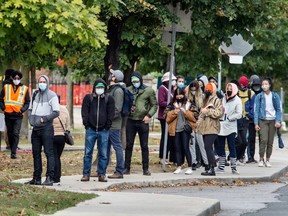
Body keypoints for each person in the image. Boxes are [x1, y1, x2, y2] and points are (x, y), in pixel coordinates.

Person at [26, 75, 60, 186]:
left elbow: (56, 112)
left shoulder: (52, 95)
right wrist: (31, 119)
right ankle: (36, 178)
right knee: (36, 153)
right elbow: (30, 109)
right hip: (35, 129)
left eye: (44, 81)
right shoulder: (35, 94)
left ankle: (50, 177)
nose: (42, 83)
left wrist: (43, 119)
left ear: (47, 83)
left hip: (46, 128)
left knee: (49, 153)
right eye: (40, 81)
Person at [81, 78, 115, 182]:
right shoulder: (88, 98)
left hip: (103, 130)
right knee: (87, 153)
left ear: (104, 88)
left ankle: (102, 174)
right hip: (91, 129)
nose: (99, 89)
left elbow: (111, 113)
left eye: (101, 87)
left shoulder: (109, 99)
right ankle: (86, 174)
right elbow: (84, 112)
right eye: (98, 87)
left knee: (103, 153)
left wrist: (107, 126)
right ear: (94, 88)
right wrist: (87, 125)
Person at [124, 71, 157, 176]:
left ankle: (145, 168)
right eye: (133, 81)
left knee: (144, 146)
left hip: (143, 121)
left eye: (137, 81)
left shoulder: (148, 90)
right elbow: (124, 103)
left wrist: (149, 116)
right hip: (130, 120)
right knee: (129, 145)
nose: (135, 83)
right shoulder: (128, 90)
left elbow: (154, 105)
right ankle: (126, 168)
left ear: (140, 80)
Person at [166, 87, 197, 174]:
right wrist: (174, 113)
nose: (179, 98)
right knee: (177, 148)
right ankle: (179, 166)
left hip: (185, 129)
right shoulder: (172, 104)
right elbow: (166, 117)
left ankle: (190, 166)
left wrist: (186, 112)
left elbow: (195, 116)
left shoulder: (189, 104)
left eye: (181, 96)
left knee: (185, 147)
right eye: (177, 97)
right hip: (175, 129)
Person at [0, 70, 30, 159]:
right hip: (8, 114)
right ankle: (12, 147)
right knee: (10, 133)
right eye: (15, 78)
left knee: (16, 133)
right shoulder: (6, 87)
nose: (16, 79)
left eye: (18, 78)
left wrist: (22, 110)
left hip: (18, 115)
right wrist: (3, 108)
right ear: (12, 78)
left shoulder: (24, 88)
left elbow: (27, 102)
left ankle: (13, 152)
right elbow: (0, 99)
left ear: (20, 79)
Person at [254, 77, 281, 167]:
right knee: (263, 140)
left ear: (269, 85)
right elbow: (256, 110)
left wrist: (277, 121)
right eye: (263, 84)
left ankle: (268, 159)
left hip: (272, 121)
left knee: (270, 141)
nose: (264, 86)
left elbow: (278, 109)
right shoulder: (259, 96)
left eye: (266, 84)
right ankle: (261, 159)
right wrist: (256, 123)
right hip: (263, 120)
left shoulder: (275, 96)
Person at [215, 83, 242, 174]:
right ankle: (221, 167)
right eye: (228, 88)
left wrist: (230, 118)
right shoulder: (223, 98)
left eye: (231, 88)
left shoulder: (237, 100)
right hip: (221, 125)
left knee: (231, 146)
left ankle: (233, 167)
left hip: (231, 126)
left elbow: (239, 114)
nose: (229, 90)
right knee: (220, 146)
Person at [197, 83, 223, 176]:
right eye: (206, 89)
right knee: (207, 147)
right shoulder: (204, 99)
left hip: (212, 127)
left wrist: (207, 111)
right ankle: (209, 166)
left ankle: (212, 167)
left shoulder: (216, 100)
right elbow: (201, 113)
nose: (207, 91)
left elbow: (219, 113)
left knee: (208, 147)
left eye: (209, 89)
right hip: (204, 127)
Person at [185, 80, 209, 171]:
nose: (193, 90)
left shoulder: (202, 98)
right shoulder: (187, 98)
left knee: (201, 143)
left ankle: (206, 162)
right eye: (192, 89)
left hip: (199, 122)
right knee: (192, 143)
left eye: (195, 89)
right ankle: (193, 161)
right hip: (190, 122)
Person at [106, 69, 125, 179]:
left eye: (112, 75)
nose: (110, 76)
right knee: (105, 147)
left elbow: (117, 109)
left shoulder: (118, 91)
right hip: (109, 124)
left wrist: (108, 119)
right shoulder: (112, 89)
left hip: (114, 124)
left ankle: (119, 171)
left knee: (117, 146)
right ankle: (102, 169)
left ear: (115, 78)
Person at [157, 72, 176, 165]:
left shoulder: (173, 89)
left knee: (170, 136)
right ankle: (162, 156)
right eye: (172, 80)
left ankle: (169, 157)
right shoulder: (162, 89)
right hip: (163, 116)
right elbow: (161, 102)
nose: (174, 82)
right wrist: (171, 105)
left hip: (172, 116)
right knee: (165, 136)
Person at [236, 75, 254, 165]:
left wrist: (249, 115)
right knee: (238, 140)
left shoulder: (251, 93)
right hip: (237, 119)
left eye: (243, 85)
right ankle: (235, 157)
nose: (242, 86)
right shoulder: (236, 92)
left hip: (246, 119)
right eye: (241, 85)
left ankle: (240, 156)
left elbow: (253, 106)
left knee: (244, 141)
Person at [52, 95, 70, 183]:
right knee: (57, 156)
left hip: (52, 135)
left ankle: (55, 176)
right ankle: (57, 176)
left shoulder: (50, 110)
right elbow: (67, 124)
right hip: (62, 137)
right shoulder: (64, 109)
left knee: (54, 157)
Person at [246, 77, 262, 163]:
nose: (256, 88)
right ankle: (250, 156)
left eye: (258, 86)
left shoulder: (262, 94)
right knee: (251, 139)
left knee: (262, 139)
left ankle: (261, 156)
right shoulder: (250, 93)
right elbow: (248, 106)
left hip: (261, 120)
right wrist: (251, 115)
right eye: (255, 85)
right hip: (251, 120)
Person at [1, 69, 15, 150]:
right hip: (9, 108)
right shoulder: (8, 84)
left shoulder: (6, 83)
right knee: (9, 126)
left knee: (9, 126)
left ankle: (10, 143)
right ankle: (9, 143)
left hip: (9, 107)